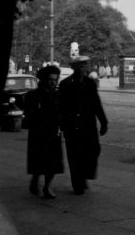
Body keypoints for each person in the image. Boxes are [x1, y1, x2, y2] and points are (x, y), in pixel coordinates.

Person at [58, 55, 108, 195]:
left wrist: (103, 122)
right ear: (73, 67)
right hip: (72, 126)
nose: (83, 68)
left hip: (88, 125)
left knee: (93, 151)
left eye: (85, 65)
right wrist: (62, 125)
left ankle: (85, 174)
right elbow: (61, 106)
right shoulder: (65, 84)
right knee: (74, 156)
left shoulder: (89, 83)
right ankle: (77, 183)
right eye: (80, 65)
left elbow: (96, 103)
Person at [24, 65, 63, 200]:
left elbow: (61, 112)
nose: (53, 83)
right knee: (39, 159)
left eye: (55, 80)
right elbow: (29, 114)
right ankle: (35, 178)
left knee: (53, 161)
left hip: (53, 133)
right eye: (50, 79)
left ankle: (47, 186)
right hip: (39, 133)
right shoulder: (33, 95)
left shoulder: (57, 95)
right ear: (44, 79)